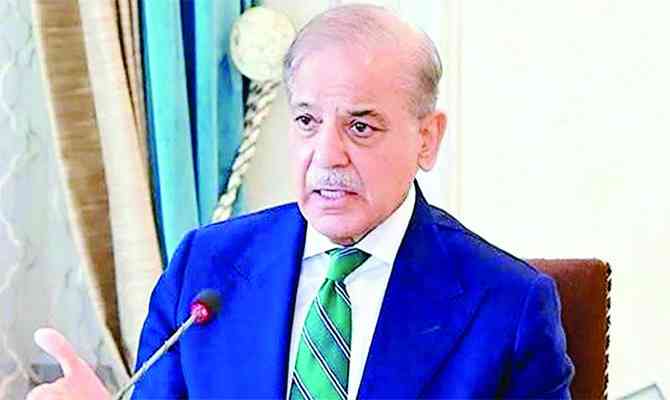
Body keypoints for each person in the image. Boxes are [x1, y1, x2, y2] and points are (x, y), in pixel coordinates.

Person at [27, 4, 574, 400]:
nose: (326, 155)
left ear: (426, 140)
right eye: (307, 121)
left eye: (361, 127)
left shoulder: (507, 306)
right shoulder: (205, 266)